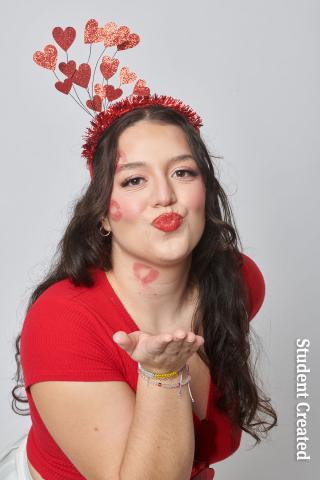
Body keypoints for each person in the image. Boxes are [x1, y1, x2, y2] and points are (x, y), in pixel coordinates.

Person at [2, 19, 277, 480]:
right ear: (104, 215)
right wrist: (162, 375)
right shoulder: (61, 322)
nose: (164, 196)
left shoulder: (237, 280)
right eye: (134, 180)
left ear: (205, 193)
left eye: (183, 172)